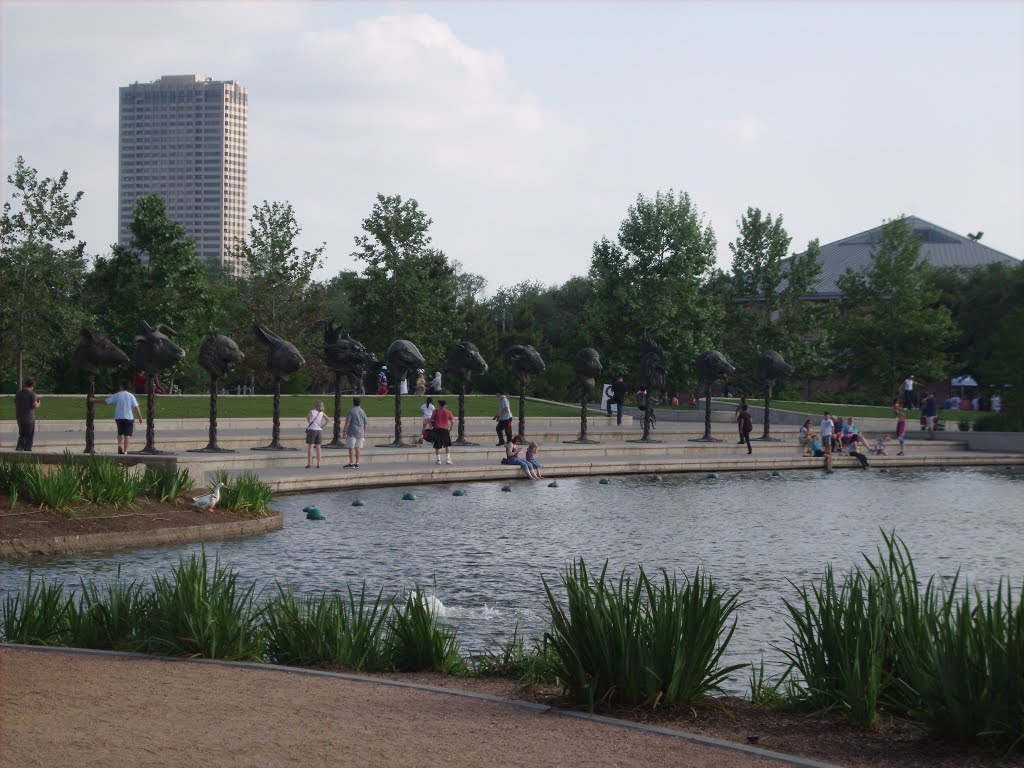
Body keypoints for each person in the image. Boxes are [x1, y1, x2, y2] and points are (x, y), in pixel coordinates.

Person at [95, 379, 143, 454]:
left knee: (120, 433)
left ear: (122, 386)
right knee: (127, 435)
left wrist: (93, 401)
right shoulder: (131, 396)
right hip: (128, 417)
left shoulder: (117, 395)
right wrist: (140, 417)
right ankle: (125, 451)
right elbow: (136, 407)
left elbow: (106, 401)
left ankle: (119, 445)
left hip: (119, 417)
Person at [15, 378, 41, 452]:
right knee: (29, 437)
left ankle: (18, 451)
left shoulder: (18, 393)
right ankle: (27, 452)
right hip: (29, 418)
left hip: (19, 417)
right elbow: (35, 406)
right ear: (32, 385)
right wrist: (39, 403)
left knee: (22, 435)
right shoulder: (32, 394)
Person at [342, 397, 368, 469]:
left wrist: (344, 431)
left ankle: (351, 463)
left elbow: (348, 422)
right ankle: (357, 463)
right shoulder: (362, 411)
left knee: (351, 447)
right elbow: (366, 423)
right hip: (360, 433)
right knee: (358, 448)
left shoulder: (351, 411)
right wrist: (364, 433)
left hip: (352, 432)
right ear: (360, 403)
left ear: (353, 402)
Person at [430, 398, 454, 465]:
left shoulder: (435, 411)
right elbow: (453, 422)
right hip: (445, 430)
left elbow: (430, 421)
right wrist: (450, 429)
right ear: (445, 405)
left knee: (437, 445)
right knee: (447, 445)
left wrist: (431, 428)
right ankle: (448, 459)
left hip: (437, 430)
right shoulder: (448, 412)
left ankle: (438, 460)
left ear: (439, 405)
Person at [305, 399, 328, 469]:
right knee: (318, 448)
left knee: (310, 447)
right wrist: (322, 426)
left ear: (315, 405)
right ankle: (318, 463)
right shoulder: (321, 413)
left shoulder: (312, 411)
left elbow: (309, 420)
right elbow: (328, 419)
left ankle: (309, 463)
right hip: (319, 430)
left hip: (312, 430)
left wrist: (308, 418)